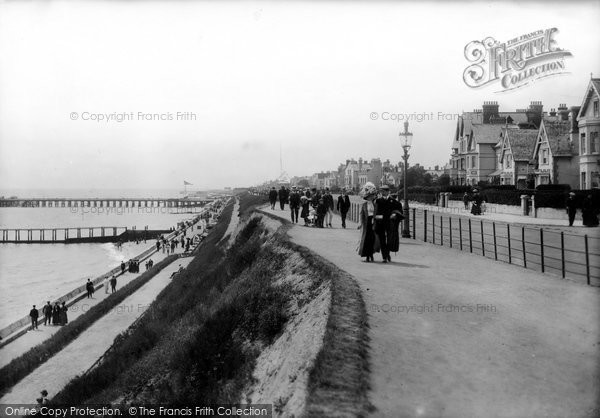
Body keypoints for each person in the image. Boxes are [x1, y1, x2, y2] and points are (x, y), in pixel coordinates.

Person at [373, 184, 403, 263]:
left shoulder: (393, 201)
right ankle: (384, 257)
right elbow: (375, 212)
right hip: (380, 223)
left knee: (389, 240)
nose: (382, 193)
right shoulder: (378, 201)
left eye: (384, 191)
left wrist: (395, 214)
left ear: (388, 192)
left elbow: (399, 210)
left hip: (390, 224)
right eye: (381, 191)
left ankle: (387, 254)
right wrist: (377, 217)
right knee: (382, 241)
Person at [357, 182, 379, 262]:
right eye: (370, 196)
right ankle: (367, 256)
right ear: (367, 197)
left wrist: (375, 218)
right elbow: (361, 215)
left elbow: (376, 213)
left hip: (373, 222)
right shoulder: (364, 205)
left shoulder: (375, 204)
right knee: (366, 239)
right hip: (366, 223)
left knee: (372, 239)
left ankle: (371, 255)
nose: (371, 197)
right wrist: (360, 223)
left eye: (372, 196)